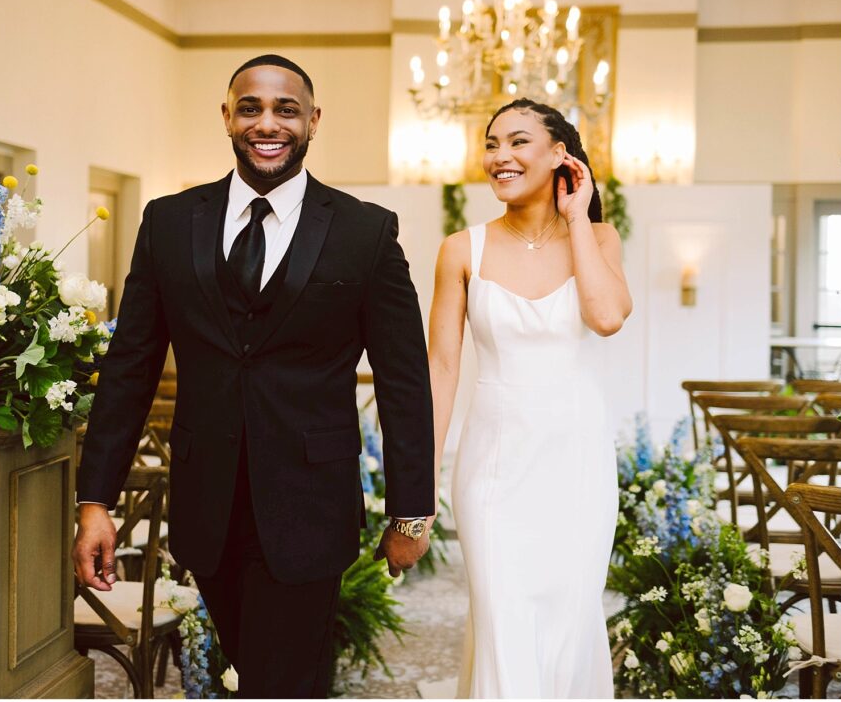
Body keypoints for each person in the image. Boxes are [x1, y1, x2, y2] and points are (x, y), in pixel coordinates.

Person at [72, 54, 435, 698]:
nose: (268, 123)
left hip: (310, 506)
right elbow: (130, 365)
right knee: (239, 672)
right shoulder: (168, 221)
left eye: (286, 109)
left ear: (313, 121)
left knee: (284, 682)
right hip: (205, 505)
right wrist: (95, 499)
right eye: (251, 107)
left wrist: (410, 514)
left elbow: (403, 379)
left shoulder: (365, 231)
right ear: (228, 117)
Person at [427, 98, 631, 698]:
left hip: (578, 465)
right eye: (491, 144)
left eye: (517, 141)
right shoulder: (462, 249)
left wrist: (575, 218)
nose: (500, 156)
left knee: (571, 623)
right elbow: (440, 368)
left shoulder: (598, 238)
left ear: (559, 155)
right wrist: (417, 488)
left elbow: (607, 316)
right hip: (493, 466)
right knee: (501, 620)